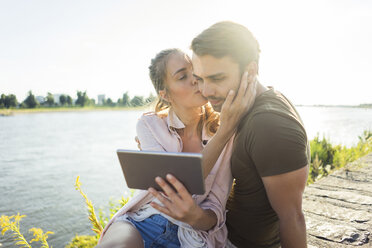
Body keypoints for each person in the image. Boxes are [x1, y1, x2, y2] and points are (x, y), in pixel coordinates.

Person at [96, 48, 256, 248]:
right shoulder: (149, 125)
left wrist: (196, 217)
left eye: (196, 71)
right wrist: (225, 131)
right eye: (182, 76)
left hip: (192, 237)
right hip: (143, 220)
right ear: (165, 94)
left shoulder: (226, 129)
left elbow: (216, 207)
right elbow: (174, 187)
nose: (195, 80)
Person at [190, 21, 310, 248]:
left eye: (217, 78)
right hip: (216, 234)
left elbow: (292, 217)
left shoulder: (270, 124)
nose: (205, 91)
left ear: (251, 71)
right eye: (200, 79)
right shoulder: (245, 107)